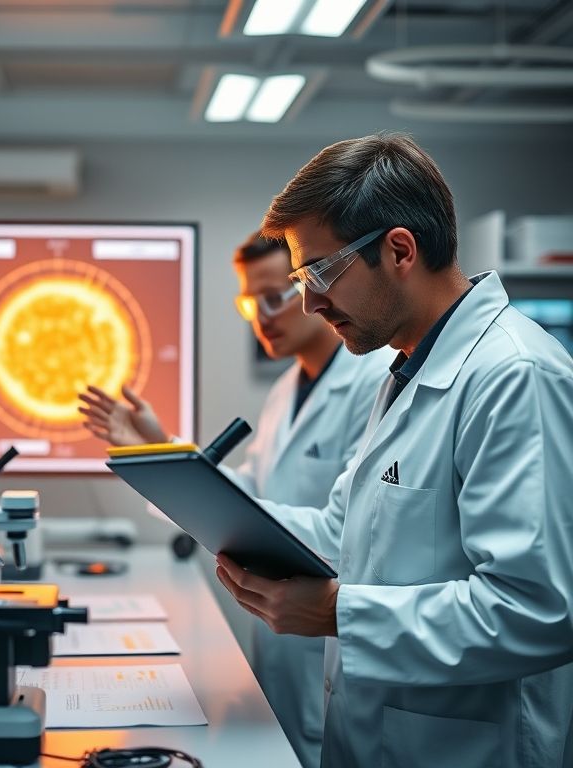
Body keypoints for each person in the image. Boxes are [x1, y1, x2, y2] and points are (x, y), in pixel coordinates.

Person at [213, 133, 573, 768]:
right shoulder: (406, 373)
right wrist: (216, 511)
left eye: (319, 272)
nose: (310, 302)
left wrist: (339, 615)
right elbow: (340, 529)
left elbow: (537, 609)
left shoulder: (514, 374)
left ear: (399, 249)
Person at [79, 232, 391, 768]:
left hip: (335, 645)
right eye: (250, 302)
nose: (261, 316)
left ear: (311, 285)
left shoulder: (372, 383)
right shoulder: (286, 389)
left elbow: (344, 530)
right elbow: (253, 492)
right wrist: (165, 455)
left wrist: (178, 470)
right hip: (286, 642)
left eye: (275, 296)